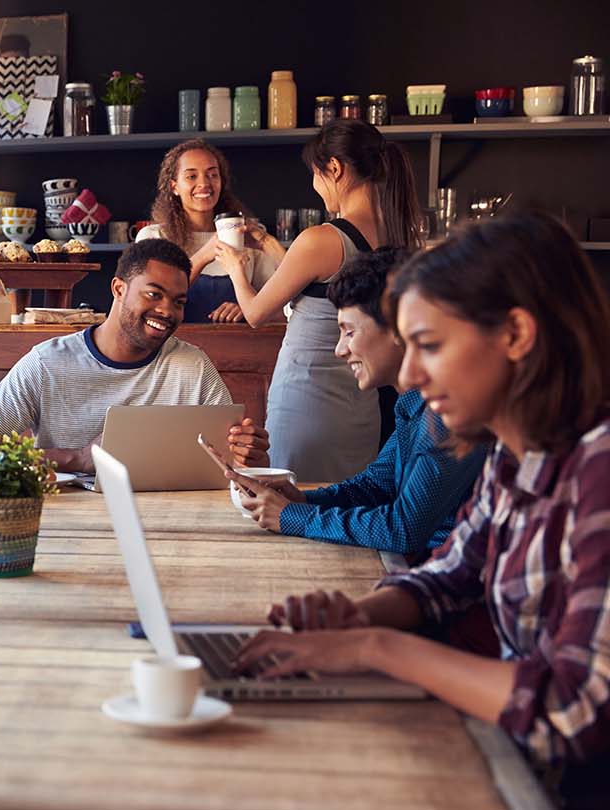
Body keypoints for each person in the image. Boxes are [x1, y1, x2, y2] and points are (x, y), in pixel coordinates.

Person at [234, 212, 610, 810]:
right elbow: (450, 575)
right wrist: (359, 616)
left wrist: (376, 648)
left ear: (516, 334)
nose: (408, 375)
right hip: (512, 760)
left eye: (428, 346)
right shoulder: (518, 454)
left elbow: (572, 712)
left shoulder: (597, 474)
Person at [228, 247, 486, 559]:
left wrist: (291, 516)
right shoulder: (412, 404)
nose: (339, 349)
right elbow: (374, 486)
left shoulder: (449, 411)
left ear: (398, 328)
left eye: (349, 332)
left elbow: (403, 528)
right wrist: (301, 501)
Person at [217, 119, 422, 482]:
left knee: (296, 506)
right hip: (363, 407)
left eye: (315, 173)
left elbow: (254, 313)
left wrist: (234, 266)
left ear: (335, 169)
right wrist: (267, 244)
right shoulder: (397, 234)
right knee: (348, 505)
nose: (314, 186)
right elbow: (320, 287)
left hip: (308, 399)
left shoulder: (322, 239)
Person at [0, 238, 270, 474]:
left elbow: (235, 460)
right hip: (64, 527)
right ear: (118, 289)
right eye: (153, 294)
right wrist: (78, 458)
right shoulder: (47, 363)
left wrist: (251, 453)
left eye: (178, 301)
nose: (167, 311)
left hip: (171, 523)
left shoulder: (192, 366)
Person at [135, 139, 283, 323]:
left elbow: (284, 310)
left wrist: (247, 309)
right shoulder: (153, 237)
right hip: (172, 349)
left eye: (213, 175)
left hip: (238, 347)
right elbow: (144, 304)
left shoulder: (247, 235)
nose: (204, 183)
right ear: (174, 187)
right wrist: (205, 254)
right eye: (191, 176)